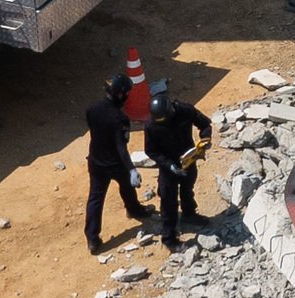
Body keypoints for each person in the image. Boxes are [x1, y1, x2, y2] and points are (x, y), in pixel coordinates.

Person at [84, 72, 147, 255]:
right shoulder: (120, 119)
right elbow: (121, 147)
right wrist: (132, 169)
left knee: (95, 199)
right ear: (120, 94)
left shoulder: (92, 109)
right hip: (115, 164)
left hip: (95, 162)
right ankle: (134, 210)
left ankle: (92, 239)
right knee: (127, 185)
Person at [144, 84, 213, 250]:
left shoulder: (185, 110)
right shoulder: (151, 126)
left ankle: (189, 214)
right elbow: (151, 151)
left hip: (188, 159)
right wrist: (169, 165)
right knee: (168, 201)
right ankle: (169, 239)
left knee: (187, 189)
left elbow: (205, 124)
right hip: (168, 167)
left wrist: (205, 140)